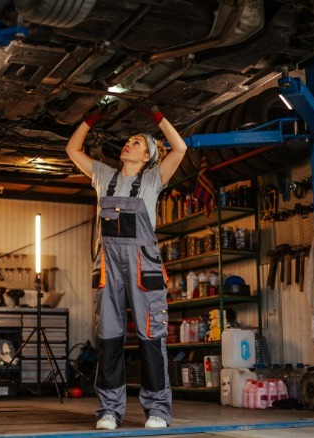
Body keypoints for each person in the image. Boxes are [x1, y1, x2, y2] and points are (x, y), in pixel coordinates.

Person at [65, 105, 187, 430]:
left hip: (143, 267)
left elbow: (180, 148)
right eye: (128, 141)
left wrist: (159, 117)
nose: (128, 144)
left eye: (136, 142)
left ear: (147, 156)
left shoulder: (153, 179)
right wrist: (89, 120)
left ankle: (158, 410)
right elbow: (72, 149)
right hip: (108, 266)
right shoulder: (104, 175)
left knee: (150, 337)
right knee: (108, 338)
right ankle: (109, 410)